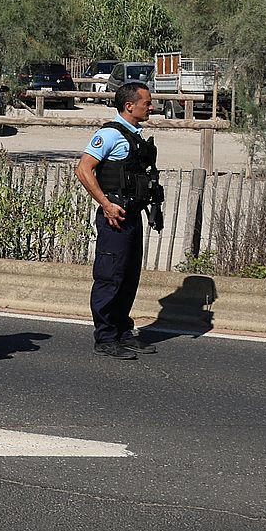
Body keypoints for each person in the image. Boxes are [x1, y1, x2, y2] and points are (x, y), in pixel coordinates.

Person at [74, 81, 160, 359]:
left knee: (129, 276)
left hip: (132, 215)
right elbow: (84, 169)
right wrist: (106, 204)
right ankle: (105, 337)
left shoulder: (134, 135)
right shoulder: (109, 135)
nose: (151, 107)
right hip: (115, 217)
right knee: (110, 277)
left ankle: (123, 331)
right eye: (147, 103)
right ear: (129, 105)